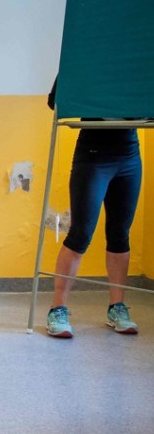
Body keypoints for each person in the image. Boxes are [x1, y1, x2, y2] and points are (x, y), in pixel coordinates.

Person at [45, 78, 141, 338]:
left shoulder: (133, 62)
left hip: (129, 154)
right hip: (93, 156)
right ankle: (58, 309)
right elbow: (55, 101)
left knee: (120, 233)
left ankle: (117, 307)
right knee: (80, 234)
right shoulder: (87, 58)